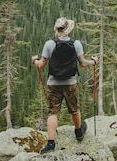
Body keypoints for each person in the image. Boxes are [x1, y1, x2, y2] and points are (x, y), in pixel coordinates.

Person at [31, 17, 97, 153]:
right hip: (70, 82)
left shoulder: (49, 44)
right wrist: (94, 61)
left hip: (53, 83)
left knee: (52, 112)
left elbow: (41, 65)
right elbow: (83, 63)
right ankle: (79, 131)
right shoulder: (76, 43)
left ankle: (50, 143)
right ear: (68, 30)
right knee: (74, 109)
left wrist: (34, 60)